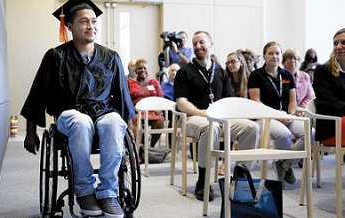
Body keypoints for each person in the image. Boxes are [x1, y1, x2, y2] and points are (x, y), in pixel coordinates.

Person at [20, 1, 135, 218]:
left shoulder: (110, 57)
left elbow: (123, 97)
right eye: (83, 21)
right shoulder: (56, 56)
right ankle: (84, 191)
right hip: (69, 113)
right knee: (81, 122)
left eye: (93, 21)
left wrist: (129, 133)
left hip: (103, 112)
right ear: (69, 26)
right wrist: (31, 131)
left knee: (113, 122)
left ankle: (108, 192)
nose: (90, 26)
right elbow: (37, 94)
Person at [174, 31, 259, 201]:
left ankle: (240, 178)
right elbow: (181, 102)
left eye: (201, 42)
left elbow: (228, 100)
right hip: (192, 118)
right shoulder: (185, 72)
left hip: (220, 118)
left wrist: (227, 115)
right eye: (195, 43)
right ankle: (203, 182)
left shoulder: (220, 71)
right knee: (209, 126)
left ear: (211, 44)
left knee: (252, 127)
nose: (198, 46)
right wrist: (202, 113)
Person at [248, 41, 307, 187]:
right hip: (265, 116)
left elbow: (293, 101)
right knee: (284, 135)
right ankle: (282, 170)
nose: (274, 56)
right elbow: (255, 101)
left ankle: (284, 164)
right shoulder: (256, 75)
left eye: (277, 53)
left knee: (310, 132)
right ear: (264, 56)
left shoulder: (287, 74)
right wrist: (276, 115)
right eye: (270, 53)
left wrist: (289, 115)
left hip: (286, 115)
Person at [313, 28, 345, 147]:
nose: (338, 47)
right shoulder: (323, 71)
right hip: (332, 125)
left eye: (343, 43)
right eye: (335, 43)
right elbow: (328, 104)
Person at [127, 59, 165, 148]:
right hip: (136, 111)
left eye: (145, 68)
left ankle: (150, 148)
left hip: (152, 111)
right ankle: (138, 149)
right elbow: (126, 99)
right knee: (137, 122)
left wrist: (159, 108)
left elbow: (161, 98)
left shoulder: (153, 82)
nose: (143, 70)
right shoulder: (130, 82)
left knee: (160, 122)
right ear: (135, 71)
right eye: (140, 68)